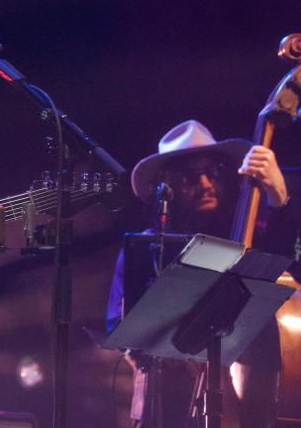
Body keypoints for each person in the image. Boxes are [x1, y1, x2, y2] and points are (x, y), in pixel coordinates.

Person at [107, 120, 293, 428]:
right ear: (167, 187)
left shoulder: (249, 234)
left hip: (248, 397)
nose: (206, 183)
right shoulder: (147, 246)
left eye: (214, 172)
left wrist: (279, 200)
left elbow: (292, 260)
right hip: (167, 401)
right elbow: (118, 320)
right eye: (190, 176)